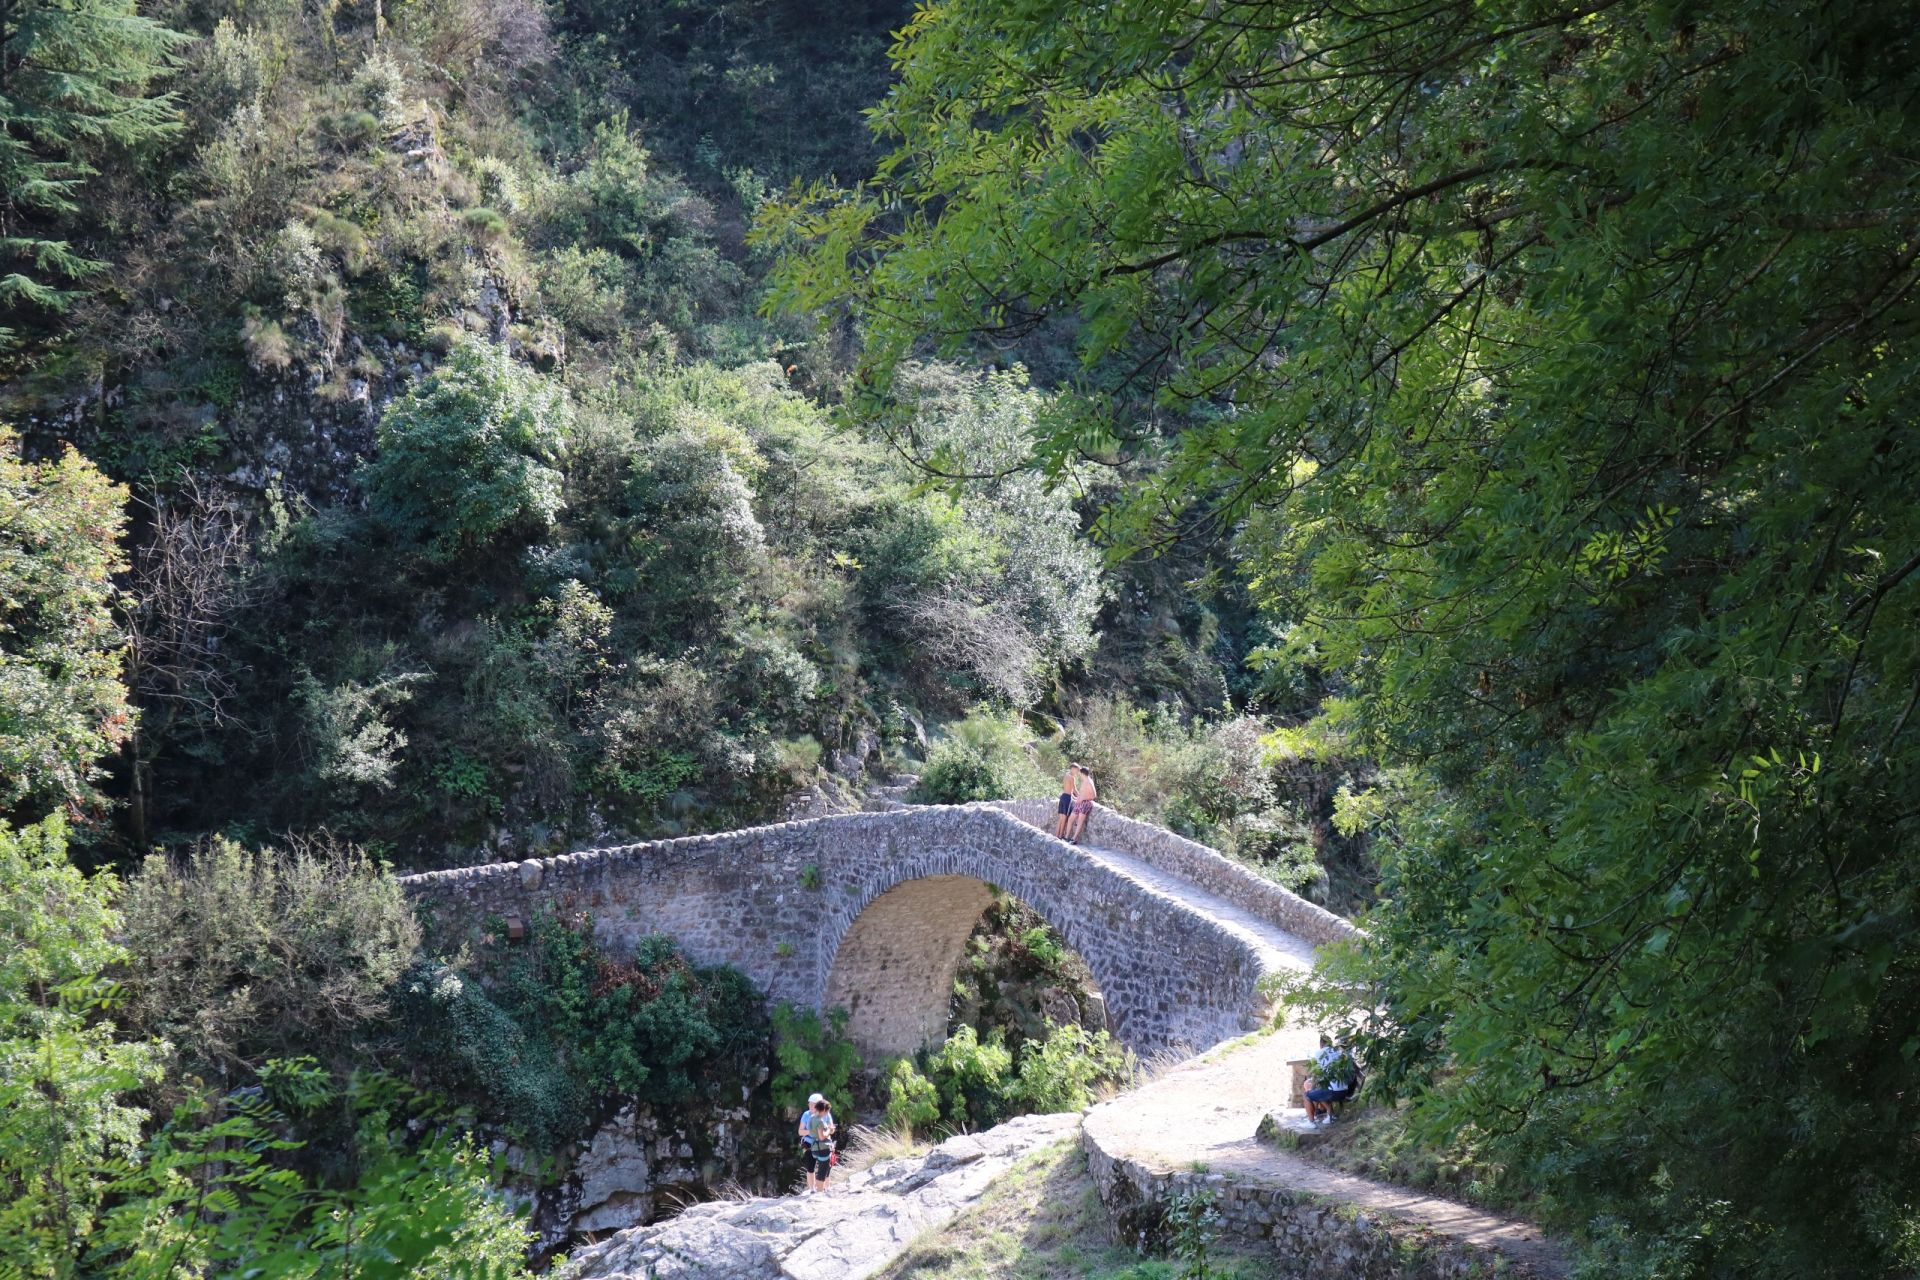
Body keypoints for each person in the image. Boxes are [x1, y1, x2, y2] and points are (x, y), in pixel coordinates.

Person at [1303, 1033, 1358, 1124]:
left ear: (1321, 1044)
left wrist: (1312, 1086)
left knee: (1307, 1094)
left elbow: (1317, 1074)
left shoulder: (1319, 1053)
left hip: (1334, 1093)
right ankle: (1330, 1114)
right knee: (1319, 1089)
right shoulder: (1338, 1052)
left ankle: (1311, 1122)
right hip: (1345, 1091)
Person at [799, 1096, 836, 1192]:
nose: (810, 1106)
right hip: (811, 1143)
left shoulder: (824, 1115)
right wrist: (814, 1132)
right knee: (811, 1166)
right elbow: (800, 1131)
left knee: (826, 1167)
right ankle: (813, 1189)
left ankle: (826, 1187)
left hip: (821, 1143)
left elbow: (831, 1128)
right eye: (809, 1104)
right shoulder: (807, 1115)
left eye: (813, 1104)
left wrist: (815, 1132)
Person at [1065, 767, 1097, 843]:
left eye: (1080, 773)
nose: (1079, 775)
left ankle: (1074, 839)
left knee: (1080, 821)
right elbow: (1082, 793)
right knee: (1070, 819)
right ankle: (1066, 837)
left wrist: (1082, 799)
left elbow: (1094, 795)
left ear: (1082, 773)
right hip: (1079, 803)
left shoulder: (1089, 782)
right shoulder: (1084, 781)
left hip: (1086, 803)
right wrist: (1077, 798)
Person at [1055, 764, 1082, 838]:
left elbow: (1068, 789)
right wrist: (1081, 797)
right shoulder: (1072, 777)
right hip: (1067, 799)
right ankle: (1060, 836)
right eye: (1077, 770)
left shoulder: (1066, 775)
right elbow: (1074, 790)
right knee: (1064, 818)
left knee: (1060, 818)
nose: (1077, 772)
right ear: (1073, 768)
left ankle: (1057, 835)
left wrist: (1074, 797)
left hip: (1063, 796)